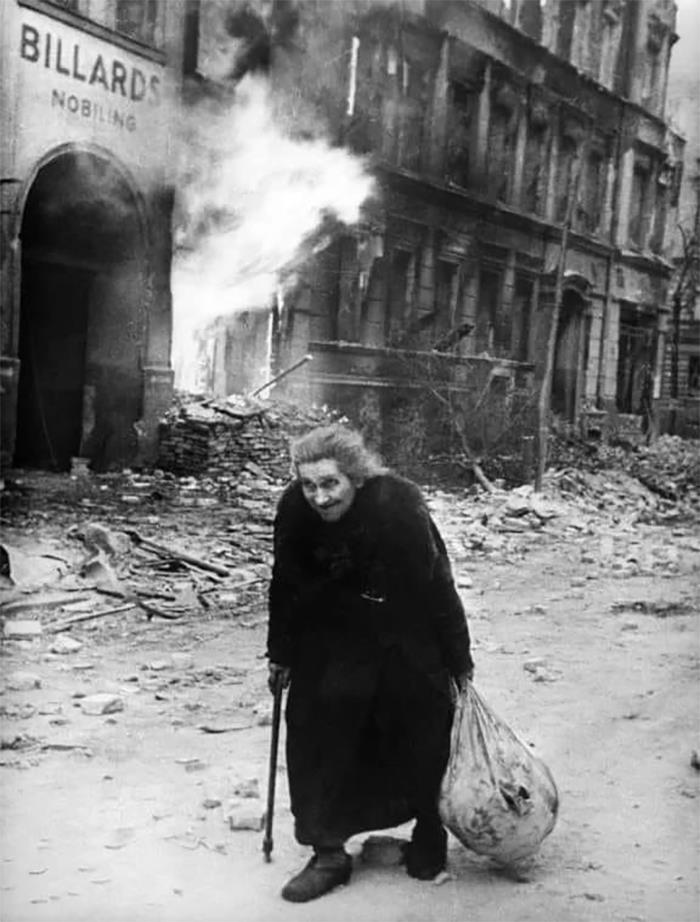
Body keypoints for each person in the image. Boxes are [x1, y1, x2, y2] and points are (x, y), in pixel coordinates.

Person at [266, 424, 474, 903]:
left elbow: (438, 583)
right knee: (315, 733)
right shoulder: (294, 509)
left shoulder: (398, 504)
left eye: (330, 484)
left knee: (421, 729)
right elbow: (285, 584)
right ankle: (328, 851)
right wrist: (280, 652)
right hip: (330, 639)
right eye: (309, 485)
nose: (319, 497)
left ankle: (428, 834)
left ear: (355, 478)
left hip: (402, 633)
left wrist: (458, 659)